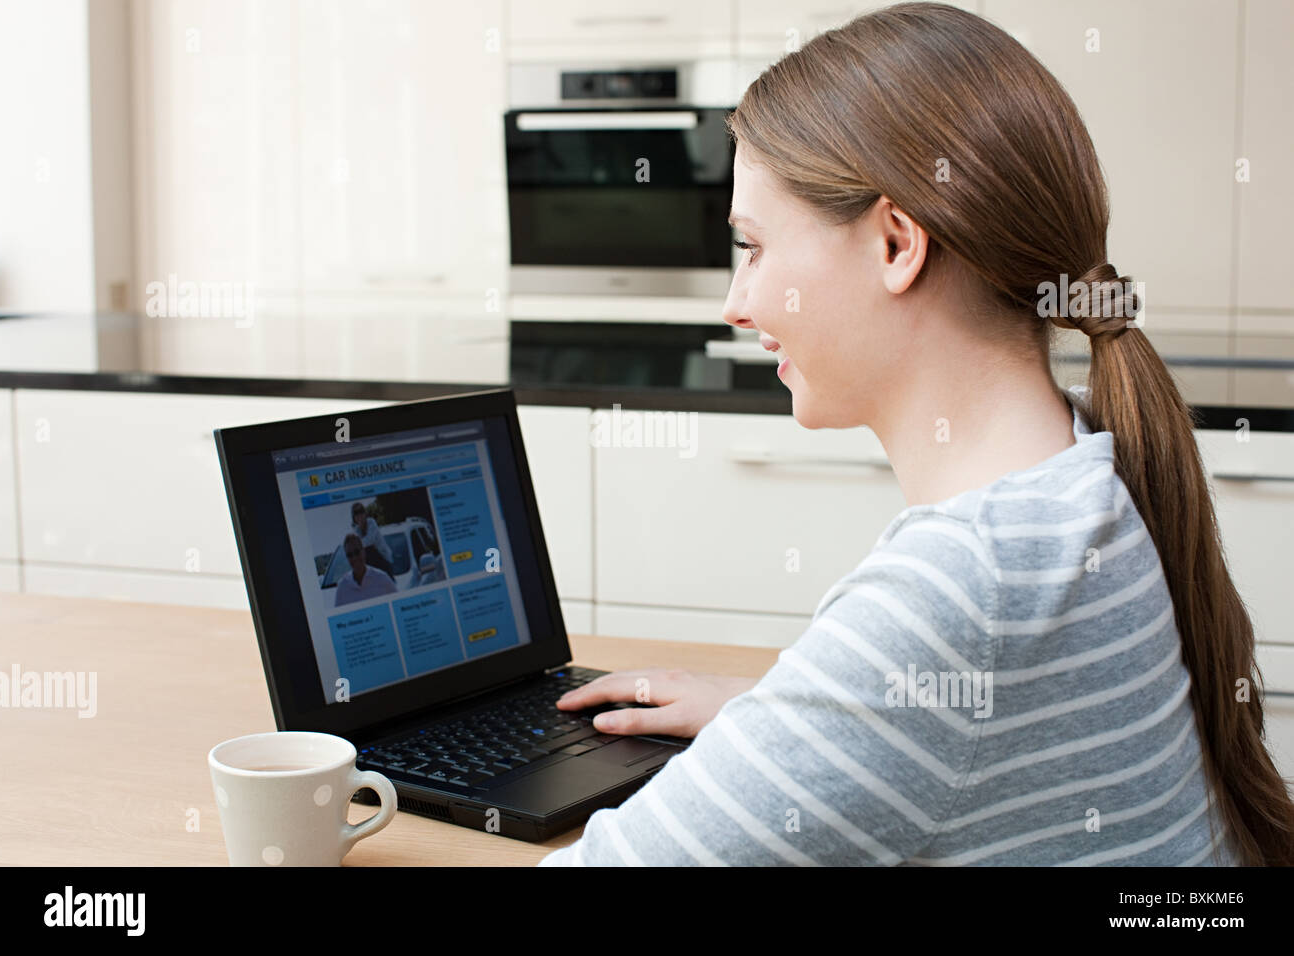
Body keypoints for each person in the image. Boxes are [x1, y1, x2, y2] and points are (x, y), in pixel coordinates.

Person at [541, 3, 1294, 866]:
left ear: (897, 242)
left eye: (753, 247)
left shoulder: (960, 592)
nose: (736, 302)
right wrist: (794, 715)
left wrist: (852, 702)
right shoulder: (1083, 471)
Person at [334, 534, 396, 607]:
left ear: (363, 551)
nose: (354, 558)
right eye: (349, 555)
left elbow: (398, 606)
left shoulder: (382, 579)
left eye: (357, 552)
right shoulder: (342, 588)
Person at [351, 502, 394, 578]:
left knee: (368, 549)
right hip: (372, 567)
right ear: (354, 517)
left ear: (365, 514)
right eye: (356, 514)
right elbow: (357, 546)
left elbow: (369, 540)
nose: (359, 516)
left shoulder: (371, 522)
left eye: (361, 512)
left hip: (384, 560)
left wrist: (360, 544)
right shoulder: (357, 530)